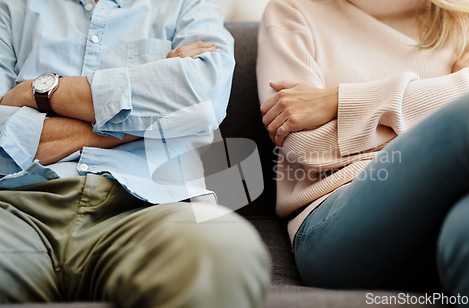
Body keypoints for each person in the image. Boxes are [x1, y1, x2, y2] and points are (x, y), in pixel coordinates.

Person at [0, 0, 270, 307]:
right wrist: (151, 112)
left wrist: (38, 92)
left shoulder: (188, 5)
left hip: (150, 209)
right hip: (18, 206)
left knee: (225, 248)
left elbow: (204, 97)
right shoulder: (10, 8)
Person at [257, 0, 469, 304]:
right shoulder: (294, 11)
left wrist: (339, 102)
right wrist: (444, 94)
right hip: (337, 222)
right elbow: (306, 146)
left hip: (455, 203)